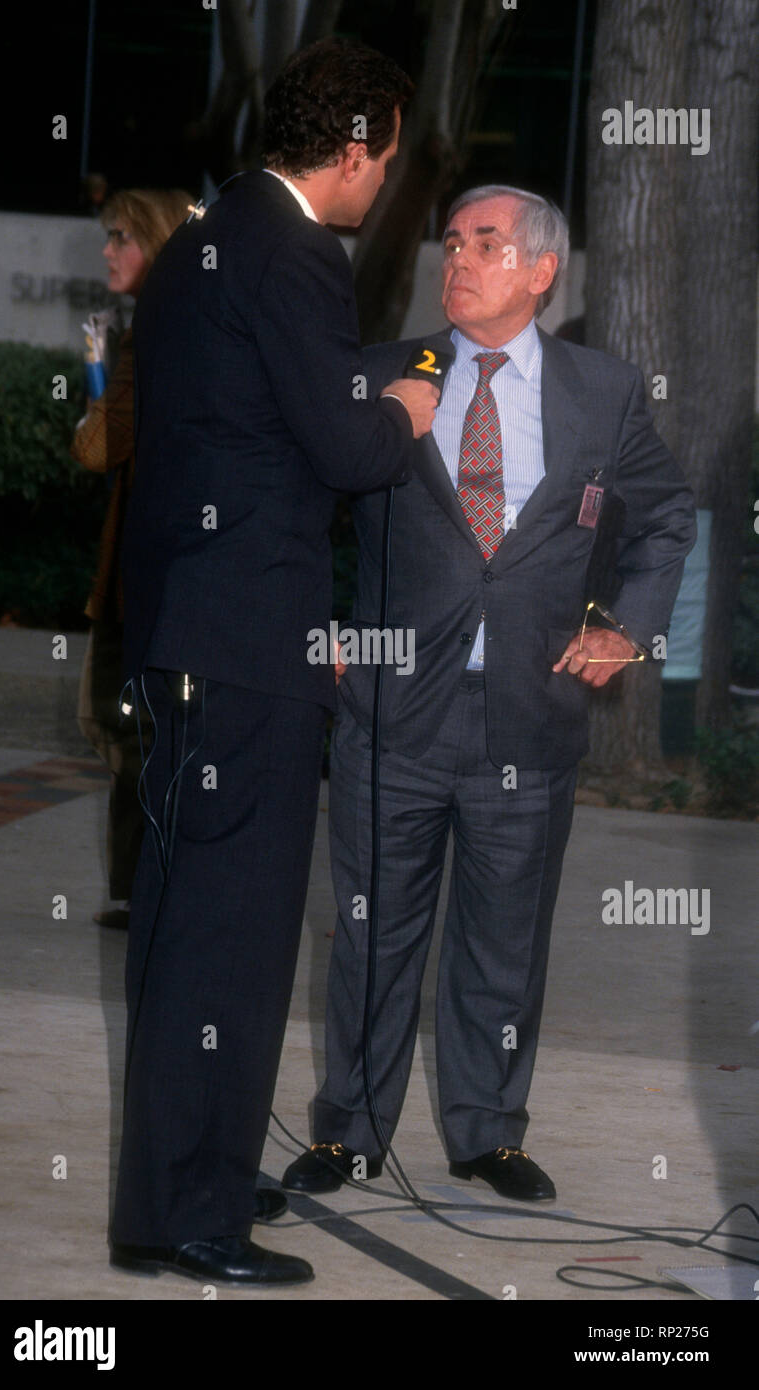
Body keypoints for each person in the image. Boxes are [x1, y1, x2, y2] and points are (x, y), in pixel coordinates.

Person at [282, 184, 696, 1204]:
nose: (457, 259)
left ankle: (486, 1131)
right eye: (453, 240)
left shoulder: (602, 393)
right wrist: (314, 631)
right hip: (392, 713)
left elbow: (667, 513)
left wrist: (631, 628)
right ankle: (348, 1132)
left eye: (487, 244)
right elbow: (295, 507)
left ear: (542, 272)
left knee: (504, 942)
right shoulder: (383, 376)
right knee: (375, 934)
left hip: (530, 713)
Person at [110, 38, 440, 1288]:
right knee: (233, 942)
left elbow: (253, 413)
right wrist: (405, 401)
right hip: (251, 642)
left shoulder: (207, 236)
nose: (390, 180)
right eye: (390, 157)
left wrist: (363, 385)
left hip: (191, 630)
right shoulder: (299, 251)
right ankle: (188, 1219)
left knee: (182, 933)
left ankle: (181, 1170)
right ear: (352, 150)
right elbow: (348, 450)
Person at [72, 188, 194, 931]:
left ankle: (140, 888)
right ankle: (140, 888)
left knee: (125, 733)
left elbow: (96, 447)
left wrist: (94, 376)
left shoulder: (149, 333)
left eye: (123, 238)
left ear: (157, 242)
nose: (109, 251)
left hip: (145, 583)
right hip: (165, 576)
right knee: (139, 736)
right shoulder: (191, 327)